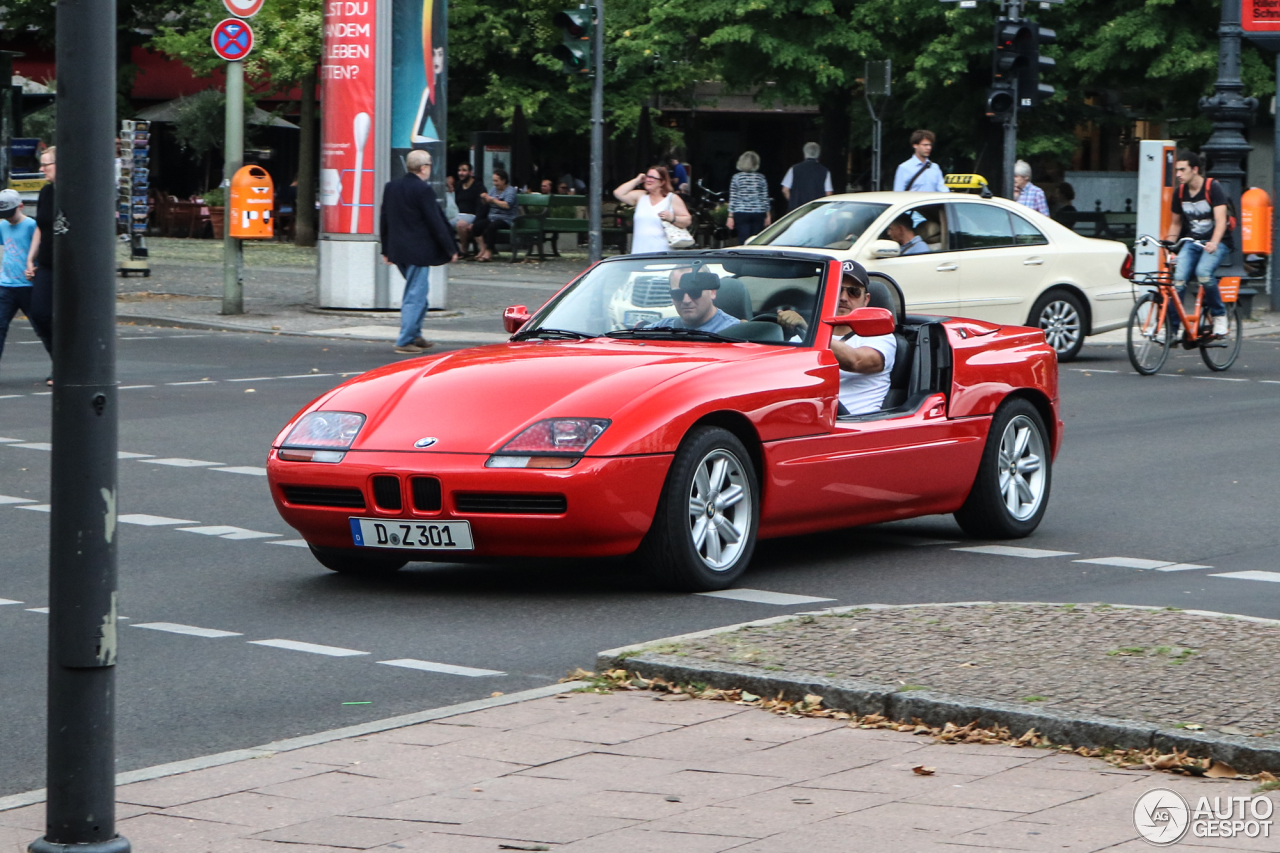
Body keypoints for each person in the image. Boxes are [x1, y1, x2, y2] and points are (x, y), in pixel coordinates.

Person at [379, 149, 457, 354]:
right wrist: (450, 248)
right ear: (423, 168)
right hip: (419, 251)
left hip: (398, 250)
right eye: (430, 164)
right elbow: (435, 221)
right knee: (416, 295)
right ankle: (405, 340)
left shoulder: (391, 187)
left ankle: (415, 334)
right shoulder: (423, 190)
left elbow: (384, 218)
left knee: (417, 293)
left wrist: (385, 248)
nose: (431, 168)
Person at [1165, 149, 1230, 337]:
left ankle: (1219, 316)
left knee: (1203, 273)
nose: (1177, 174)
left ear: (1194, 169)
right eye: (1177, 170)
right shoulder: (1180, 193)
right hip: (1193, 241)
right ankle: (1173, 330)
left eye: (1182, 170)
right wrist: (1170, 247)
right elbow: (1176, 224)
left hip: (1218, 241)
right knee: (1178, 280)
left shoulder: (1212, 187)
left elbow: (1221, 221)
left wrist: (1214, 243)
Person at [831, 261, 896, 415]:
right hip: (809, 420)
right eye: (837, 289)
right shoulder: (802, 334)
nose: (843, 298)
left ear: (866, 300)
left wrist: (809, 331)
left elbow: (855, 361)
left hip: (854, 425)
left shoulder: (881, 335)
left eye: (853, 292)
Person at [0, 190, 50, 373]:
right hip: (6, 285)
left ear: (20, 206)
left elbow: (41, 248)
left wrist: (36, 268)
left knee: (42, 328)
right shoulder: (3, 226)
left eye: (9, 213)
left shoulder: (31, 225)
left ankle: (59, 367)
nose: (7, 218)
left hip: (28, 286)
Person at [25, 147, 54, 385]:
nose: (41, 169)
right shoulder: (45, 192)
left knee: (70, 317)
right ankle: (60, 359)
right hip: (46, 263)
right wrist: (30, 258)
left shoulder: (75, 192)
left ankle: (69, 364)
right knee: (40, 313)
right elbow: (40, 228)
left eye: (46, 164)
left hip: (69, 265)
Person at [614, 165, 692, 254]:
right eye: (647, 176)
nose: (648, 179)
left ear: (662, 182)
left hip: (663, 254)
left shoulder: (672, 198)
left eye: (652, 177)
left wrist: (672, 218)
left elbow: (687, 220)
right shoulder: (641, 196)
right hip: (639, 253)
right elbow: (618, 193)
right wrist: (637, 180)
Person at [649, 268, 740, 333]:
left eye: (694, 292)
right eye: (678, 294)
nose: (686, 300)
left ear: (712, 292)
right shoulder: (659, 329)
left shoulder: (735, 332)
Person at [726, 151, 771, 242]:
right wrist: (768, 215)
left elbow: (733, 198)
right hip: (758, 212)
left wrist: (730, 216)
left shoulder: (736, 178)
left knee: (743, 239)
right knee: (757, 240)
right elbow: (765, 198)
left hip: (741, 212)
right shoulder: (761, 178)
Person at [474, 169, 517, 262]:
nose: (494, 183)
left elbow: (507, 205)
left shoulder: (510, 191)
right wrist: (484, 198)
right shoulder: (494, 190)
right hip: (492, 217)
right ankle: (483, 249)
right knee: (477, 226)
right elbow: (487, 202)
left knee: (492, 227)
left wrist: (493, 200)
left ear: (503, 180)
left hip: (506, 219)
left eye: (496, 181)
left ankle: (489, 252)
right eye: (493, 180)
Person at [781, 143, 833, 210]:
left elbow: (785, 190)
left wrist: (793, 201)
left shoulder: (794, 169)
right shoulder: (825, 171)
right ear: (819, 154)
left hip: (797, 210)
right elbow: (828, 193)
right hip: (816, 210)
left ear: (804, 153)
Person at [453, 162, 485, 258]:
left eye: (464, 170)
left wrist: (475, 222)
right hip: (459, 214)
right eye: (459, 170)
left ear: (471, 172)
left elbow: (481, 206)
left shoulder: (478, 186)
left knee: (461, 224)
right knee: (443, 223)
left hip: (472, 215)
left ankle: (463, 248)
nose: (461, 173)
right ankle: (452, 248)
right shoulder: (458, 185)